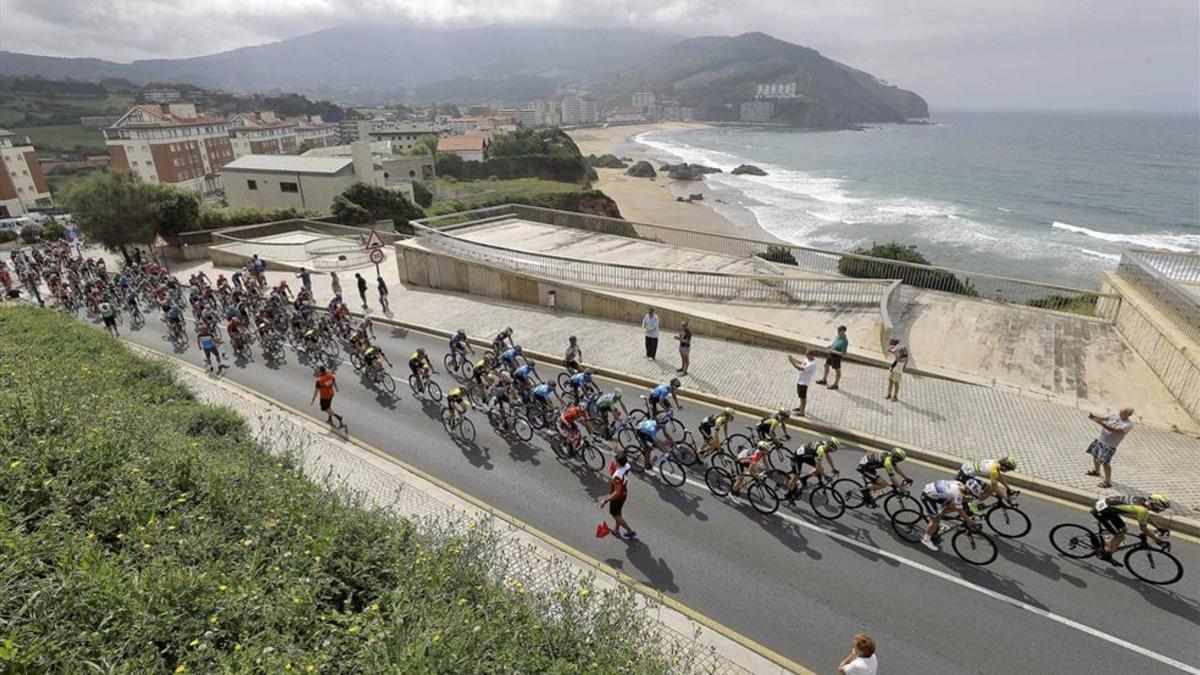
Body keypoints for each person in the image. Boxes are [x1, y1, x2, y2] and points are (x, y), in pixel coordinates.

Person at [1091, 494, 1170, 566]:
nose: (1160, 510)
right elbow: (1143, 529)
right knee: (1120, 536)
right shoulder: (1142, 510)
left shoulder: (1142, 500)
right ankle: (1106, 555)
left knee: (1123, 529)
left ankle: (1107, 539)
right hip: (1102, 511)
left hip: (1106, 507)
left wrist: (1159, 527)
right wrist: (1158, 541)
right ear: (1153, 503)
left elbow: (1145, 516)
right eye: (1160, 508)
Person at [919, 479, 983, 551]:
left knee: (955, 506)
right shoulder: (957, 492)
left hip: (936, 492)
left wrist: (967, 499)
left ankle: (937, 514)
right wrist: (969, 521)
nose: (971, 495)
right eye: (971, 493)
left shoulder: (960, 484)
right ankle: (926, 539)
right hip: (928, 496)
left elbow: (959, 500)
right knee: (935, 520)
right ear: (968, 489)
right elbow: (960, 510)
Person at [1085, 407, 1134, 488]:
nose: (1120, 413)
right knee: (1095, 456)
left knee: (1105, 463)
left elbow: (1114, 430)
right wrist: (1094, 417)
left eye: (1122, 412)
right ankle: (1096, 471)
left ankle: (1108, 482)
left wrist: (1100, 423)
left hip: (1109, 445)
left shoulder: (1128, 425)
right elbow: (1105, 418)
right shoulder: (1115, 416)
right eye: (1120, 411)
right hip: (1100, 440)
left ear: (1129, 415)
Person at [784, 437, 841, 501]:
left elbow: (828, 457)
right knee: (796, 476)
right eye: (834, 449)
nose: (834, 451)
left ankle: (803, 480)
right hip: (798, 457)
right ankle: (788, 494)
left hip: (806, 455)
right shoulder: (821, 450)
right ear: (831, 447)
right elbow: (817, 467)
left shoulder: (825, 445)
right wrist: (825, 476)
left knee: (821, 469)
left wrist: (833, 468)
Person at [599, 453, 635, 539]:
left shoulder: (617, 475)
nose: (614, 462)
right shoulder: (627, 466)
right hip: (624, 493)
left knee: (615, 514)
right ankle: (617, 529)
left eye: (616, 461)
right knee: (618, 513)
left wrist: (606, 500)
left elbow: (617, 492)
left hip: (618, 497)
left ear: (619, 463)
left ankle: (630, 531)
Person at [815, 325, 849, 390]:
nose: (838, 332)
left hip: (836, 356)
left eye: (839, 331)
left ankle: (835, 384)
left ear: (844, 332)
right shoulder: (837, 337)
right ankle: (824, 380)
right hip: (831, 354)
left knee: (837, 371)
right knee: (826, 365)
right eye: (838, 331)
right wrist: (830, 346)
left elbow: (843, 353)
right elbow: (834, 344)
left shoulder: (845, 341)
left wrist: (833, 351)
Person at [788, 350, 818, 416]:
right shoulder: (808, 359)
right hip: (800, 381)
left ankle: (802, 412)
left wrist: (792, 363)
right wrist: (792, 358)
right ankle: (800, 407)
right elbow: (800, 361)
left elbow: (800, 368)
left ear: (812, 355)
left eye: (808, 356)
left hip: (804, 382)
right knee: (800, 396)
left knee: (803, 397)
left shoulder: (812, 364)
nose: (806, 357)